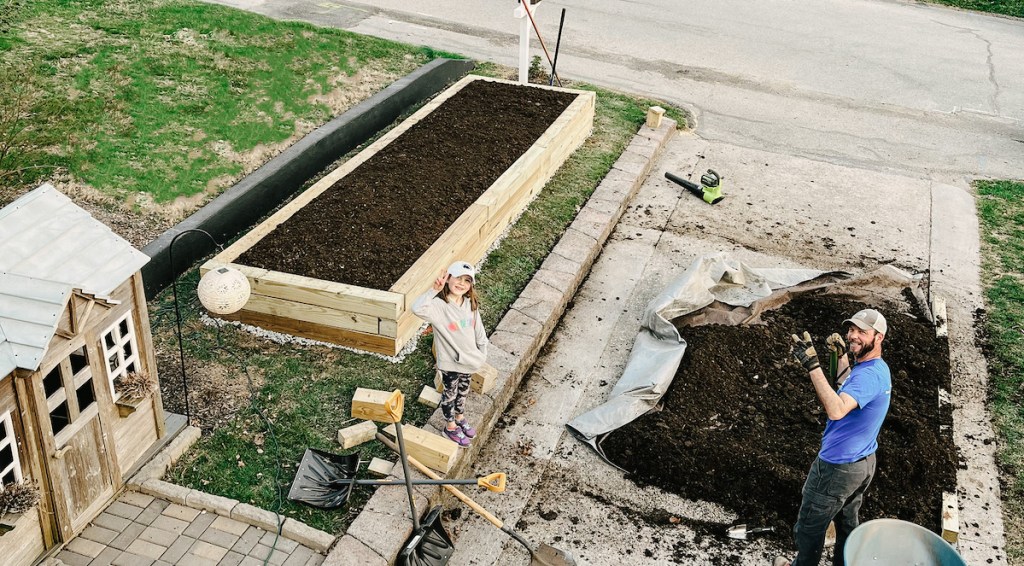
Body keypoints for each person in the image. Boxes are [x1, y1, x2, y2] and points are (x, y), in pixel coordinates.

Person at [775, 308, 892, 566]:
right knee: (847, 524)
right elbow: (849, 391)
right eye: (851, 329)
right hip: (862, 463)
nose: (853, 336)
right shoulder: (874, 368)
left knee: (809, 528)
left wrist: (812, 366)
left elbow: (837, 409)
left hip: (837, 467)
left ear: (879, 337)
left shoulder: (869, 375)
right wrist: (840, 360)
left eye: (862, 332)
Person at [412, 260, 488, 447]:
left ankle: (460, 417)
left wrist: (482, 352)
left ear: (471, 285)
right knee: (450, 394)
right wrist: (433, 291)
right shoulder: (438, 306)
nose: (461, 284)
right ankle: (450, 426)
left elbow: (479, 330)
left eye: (467, 281)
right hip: (451, 363)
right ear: (448, 279)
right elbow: (416, 308)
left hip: (469, 360)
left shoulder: (470, 304)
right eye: (458, 278)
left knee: (463, 391)